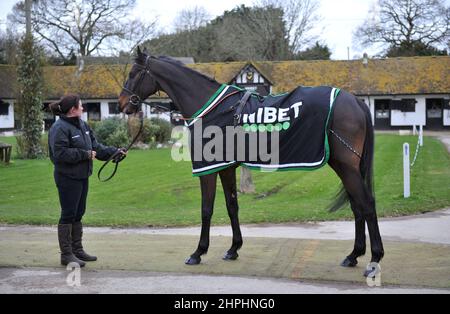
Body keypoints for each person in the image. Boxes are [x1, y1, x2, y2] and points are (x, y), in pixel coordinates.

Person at [48, 94, 126, 267]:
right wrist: (84, 155)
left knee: (78, 213)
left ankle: (77, 250)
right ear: (73, 109)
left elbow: (95, 147)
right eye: (81, 106)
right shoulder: (59, 128)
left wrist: (114, 152)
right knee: (68, 214)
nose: (83, 108)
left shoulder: (83, 125)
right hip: (67, 178)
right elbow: (59, 154)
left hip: (83, 177)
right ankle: (66, 255)